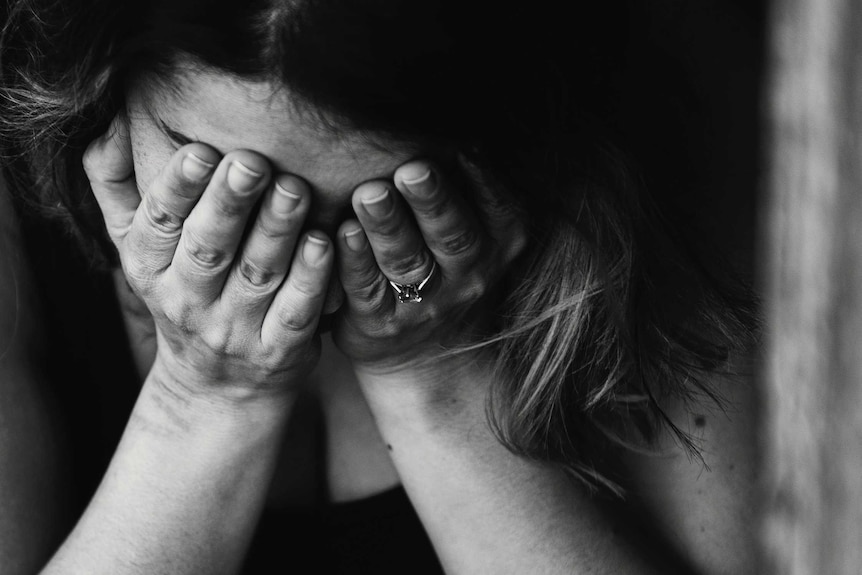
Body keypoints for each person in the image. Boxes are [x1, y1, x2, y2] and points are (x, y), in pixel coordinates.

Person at [0, 0, 761, 573]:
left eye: (379, 204)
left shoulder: (675, 153)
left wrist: (437, 378)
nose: (295, 262)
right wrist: (201, 398)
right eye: (224, 184)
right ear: (101, 82)